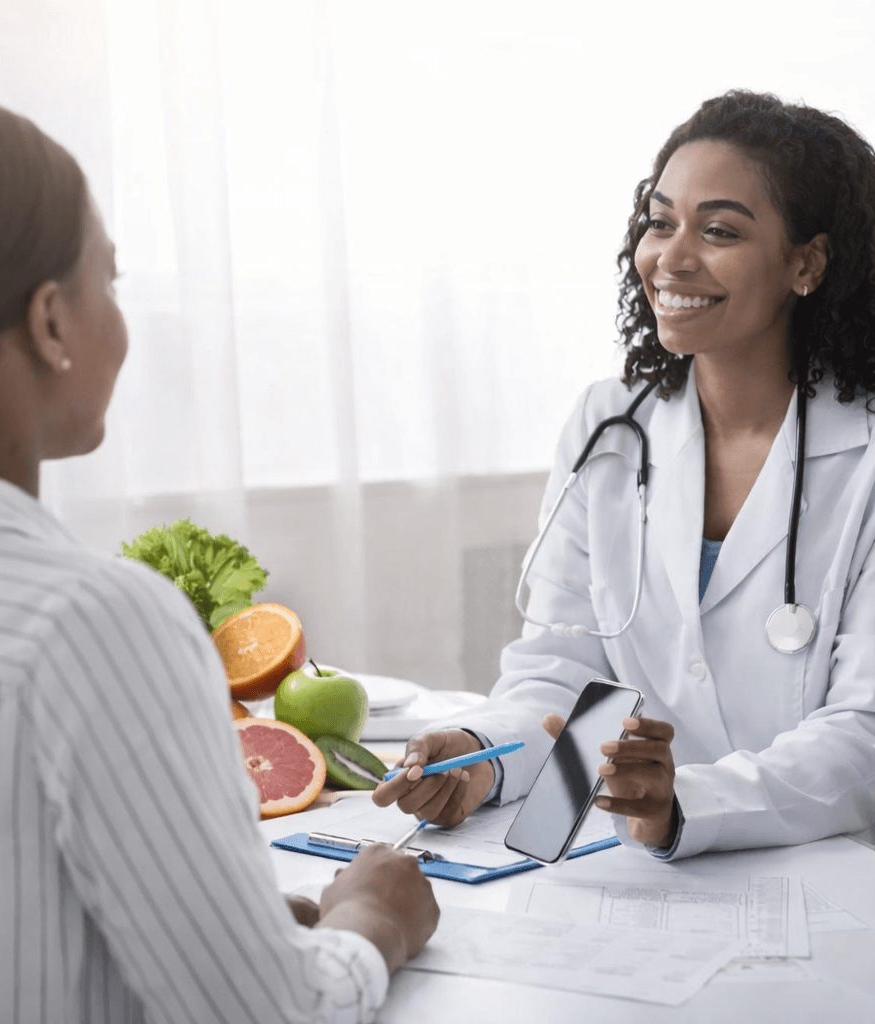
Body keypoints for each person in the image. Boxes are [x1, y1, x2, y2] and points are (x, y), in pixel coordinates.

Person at [0, 89, 438, 1024]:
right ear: (50, 323)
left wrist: (222, 926)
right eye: (110, 282)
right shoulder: (88, 621)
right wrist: (376, 921)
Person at [375, 89, 875, 859]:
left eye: (717, 231)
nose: (670, 258)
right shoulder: (609, 427)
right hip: (640, 872)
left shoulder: (864, 454)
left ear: (806, 263)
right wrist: (481, 757)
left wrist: (687, 802)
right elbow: (563, 673)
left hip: (829, 871)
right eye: (659, 220)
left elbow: (864, 733)